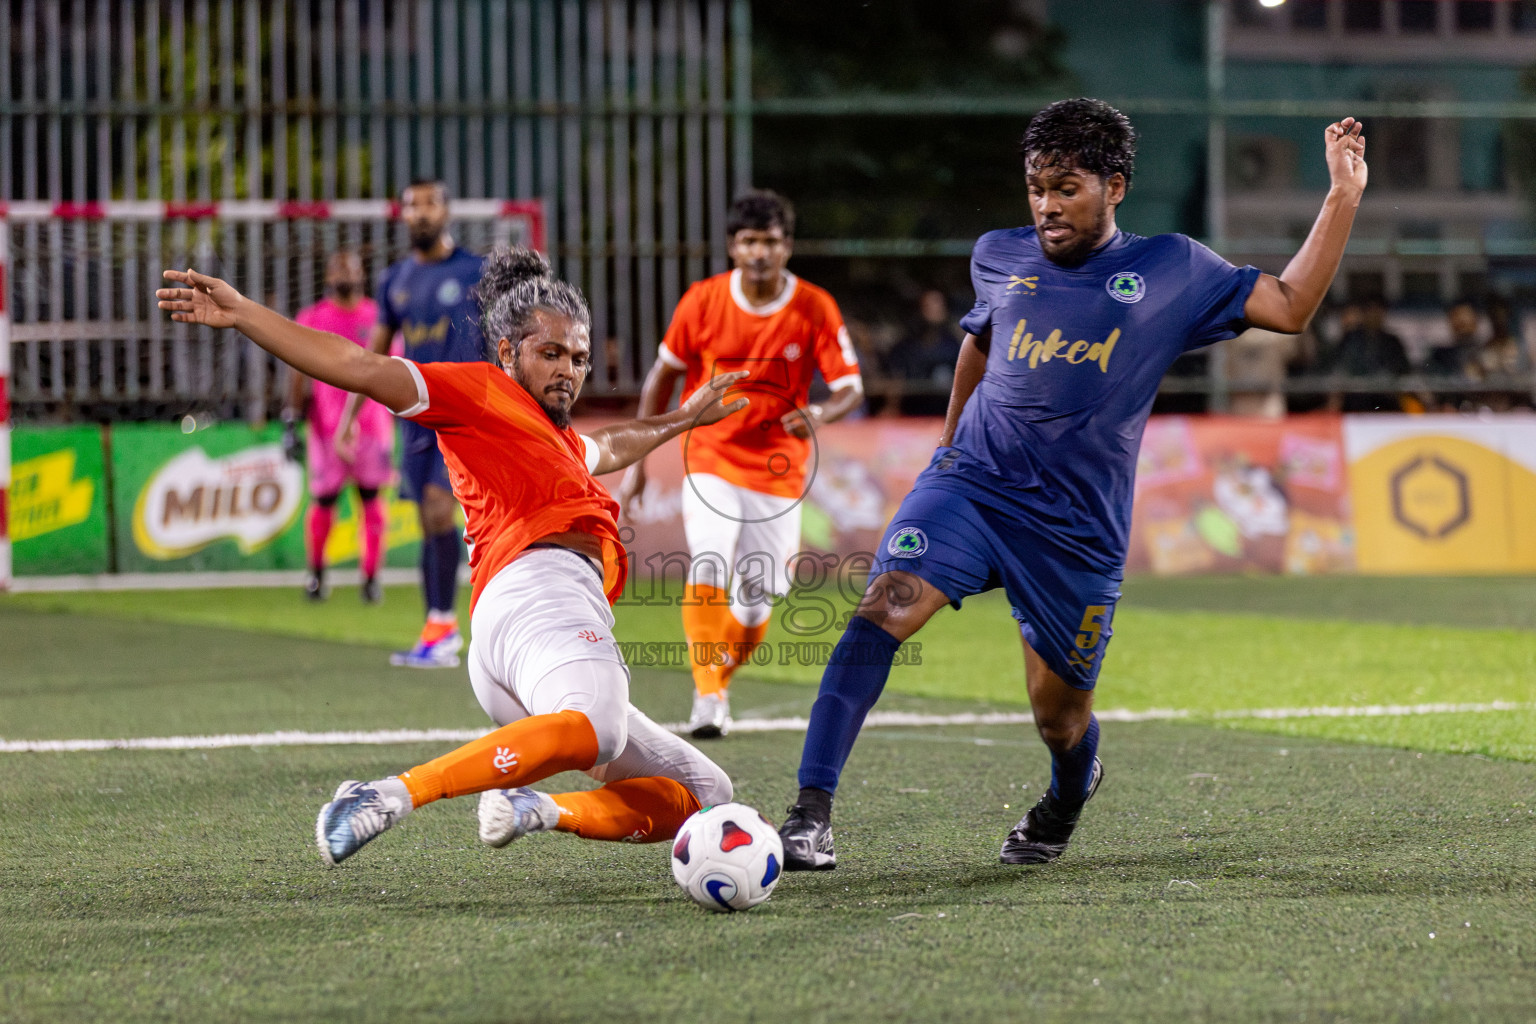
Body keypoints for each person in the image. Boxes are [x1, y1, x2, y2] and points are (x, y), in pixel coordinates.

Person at [776, 97, 1368, 871]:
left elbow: (1289, 306)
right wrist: (948, 449)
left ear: (1115, 186)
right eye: (1036, 188)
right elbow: (980, 344)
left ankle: (1067, 790)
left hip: (1074, 529)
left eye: (1066, 188)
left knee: (1059, 718)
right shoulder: (999, 254)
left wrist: (1342, 196)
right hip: (974, 486)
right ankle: (809, 813)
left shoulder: (1174, 270)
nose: (1047, 207)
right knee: (882, 605)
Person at [159, 248, 748, 867]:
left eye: (577, 357)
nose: (567, 370)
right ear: (505, 352)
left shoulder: (557, 436)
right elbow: (358, 365)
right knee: (601, 729)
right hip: (540, 594)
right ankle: (390, 794)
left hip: (516, 632)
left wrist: (681, 418)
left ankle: (540, 810)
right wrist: (246, 313)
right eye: (549, 353)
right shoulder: (478, 392)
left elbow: (608, 446)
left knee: (708, 792)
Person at [620, 190, 865, 739]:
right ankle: (707, 696)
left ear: (787, 247)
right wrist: (638, 458)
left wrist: (821, 412)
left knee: (756, 603)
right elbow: (662, 375)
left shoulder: (814, 306)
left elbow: (851, 387)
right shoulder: (702, 301)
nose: (759, 252)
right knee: (708, 560)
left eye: (771, 242)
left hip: (778, 470)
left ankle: (718, 683)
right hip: (709, 456)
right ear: (733, 246)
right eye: (749, 241)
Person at [339, 178, 486, 668]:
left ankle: (449, 625)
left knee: (440, 508)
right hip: (415, 418)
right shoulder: (395, 280)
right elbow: (372, 356)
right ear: (400, 214)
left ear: (446, 211)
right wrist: (349, 417)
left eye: (429, 204)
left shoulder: (475, 272)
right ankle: (438, 626)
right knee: (429, 519)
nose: (420, 213)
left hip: (464, 414)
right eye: (411, 206)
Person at [283, 250, 391, 604]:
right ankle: (316, 573)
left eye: (351, 267)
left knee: (372, 501)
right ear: (329, 276)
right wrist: (291, 420)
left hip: (372, 427)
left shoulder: (378, 318)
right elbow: (296, 373)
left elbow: (394, 369)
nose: (345, 274)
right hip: (325, 428)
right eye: (338, 269)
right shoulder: (313, 318)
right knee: (324, 501)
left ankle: (372, 578)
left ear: (361, 273)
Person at [886, 289, 964, 415]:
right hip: (912, 415)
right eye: (928, 306)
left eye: (938, 305)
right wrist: (891, 407)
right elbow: (895, 380)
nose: (934, 311)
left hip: (944, 414)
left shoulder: (954, 345)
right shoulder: (905, 347)